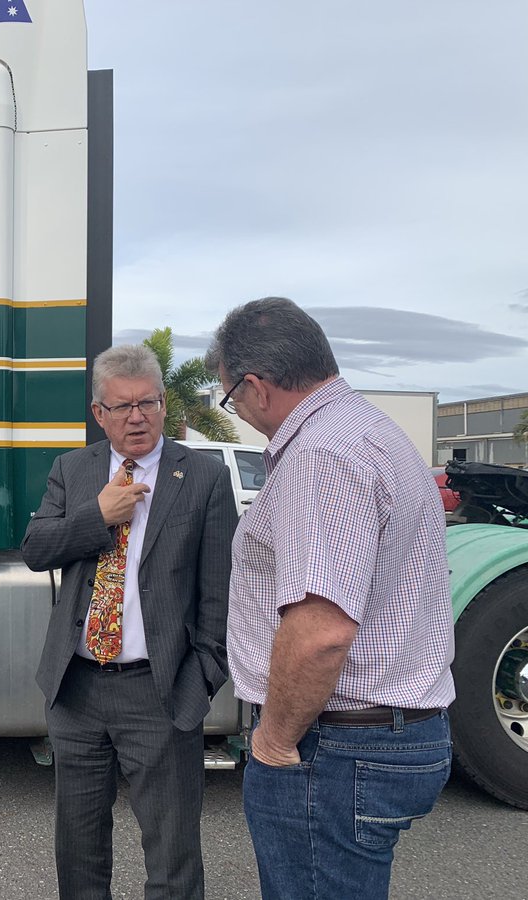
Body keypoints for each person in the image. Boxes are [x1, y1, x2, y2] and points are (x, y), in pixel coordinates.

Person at [205, 297, 454, 900]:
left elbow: (321, 633)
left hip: (337, 744)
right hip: (381, 734)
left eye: (229, 397)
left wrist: (273, 742)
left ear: (256, 387)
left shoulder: (320, 455)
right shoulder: (369, 431)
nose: (235, 410)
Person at [22, 343, 237, 900]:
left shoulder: (205, 477)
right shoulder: (75, 469)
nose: (136, 417)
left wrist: (197, 685)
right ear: (100, 414)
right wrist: (97, 516)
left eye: (147, 403)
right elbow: (37, 547)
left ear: (164, 405)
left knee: (172, 855)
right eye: (121, 407)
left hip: (158, 691)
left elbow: (221, 596)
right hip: (78, 688)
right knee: (79, 849)